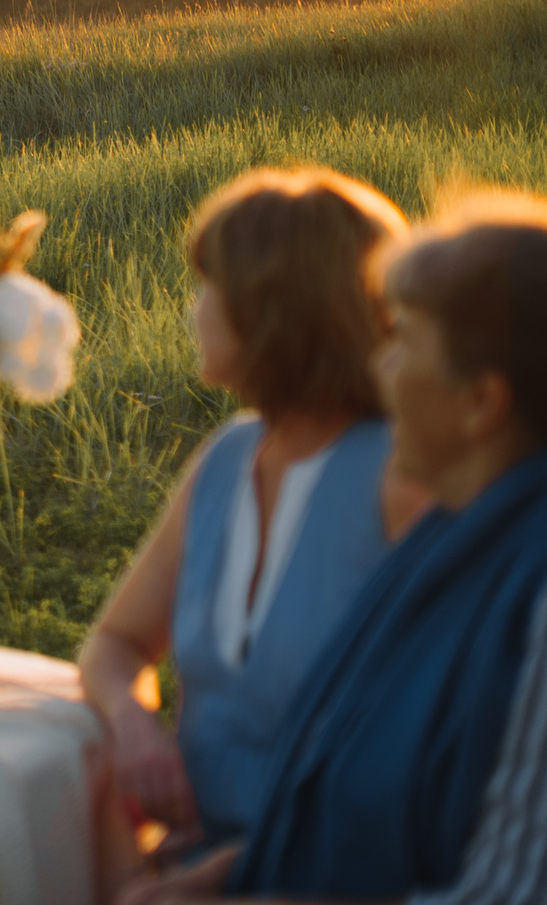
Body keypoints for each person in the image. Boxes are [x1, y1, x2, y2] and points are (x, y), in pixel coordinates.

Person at [122, 190, 547, 905]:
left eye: (403, 339)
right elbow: (357, 796)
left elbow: (505, 891)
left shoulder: (527, 592)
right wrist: (224, 874)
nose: (378, 367)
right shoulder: (452, 539)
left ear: (481, 403)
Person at [80, 168, 418, 858]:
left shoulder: (399, 478)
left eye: (212, 288)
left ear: (278, 311)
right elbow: (114, 644)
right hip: (194, 849)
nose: (195, 309)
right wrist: (133, 722)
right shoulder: (228, 456)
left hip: (333, 868)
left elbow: (421, 756)